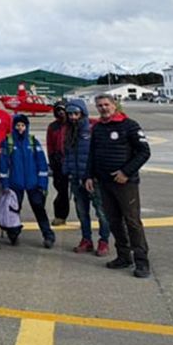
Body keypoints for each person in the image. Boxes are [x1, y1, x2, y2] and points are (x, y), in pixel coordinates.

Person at [87, 94, 152, 278]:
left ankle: (141, 261)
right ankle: (123, 256)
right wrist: (89, 175)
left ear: (114, 105)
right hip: (104, 183)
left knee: (132, 222)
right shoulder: (98, 128)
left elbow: (144, 152)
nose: (103, 108)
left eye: (106, 104)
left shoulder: (130, 126)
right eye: (99, 106)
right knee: (113, 221)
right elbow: (92, 154)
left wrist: (126, 172)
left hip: (125, 184)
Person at [0, 114, 55, 247]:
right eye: (17, 125)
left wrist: (43, 185)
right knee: (13, 210)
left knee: (39, 208)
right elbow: (3, 165)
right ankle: (13, 234)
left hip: (33, 183)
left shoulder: (33, 142)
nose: (20, 128)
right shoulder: (8, 142)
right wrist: (5, 184)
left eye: (23, 125)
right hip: (14, 184)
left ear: (27, 126)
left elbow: (42, 164)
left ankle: (48, 235)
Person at [63, 99, 110, 256]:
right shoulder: (69, 131)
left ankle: (104, 241)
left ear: (82, 113)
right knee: (82, 212)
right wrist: (67, 171)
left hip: (93, 179)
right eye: (70, 114)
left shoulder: (94, 128)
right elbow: (67, 154)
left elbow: (101, 153)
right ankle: (86, 239)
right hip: (76, 178)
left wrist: (96, 175)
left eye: (76, 113)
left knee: (101, 212)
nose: (73, 117)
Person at [46, 102, 70, 226]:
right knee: (61, 191)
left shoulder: (74, 124)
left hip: (72, 161)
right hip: (58, 162)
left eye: (63, 110)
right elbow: (49, 144)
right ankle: (60, 215)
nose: (61, 112)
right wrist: (51, 159)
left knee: (81, 192)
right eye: (58, 110)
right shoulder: (53, 126)